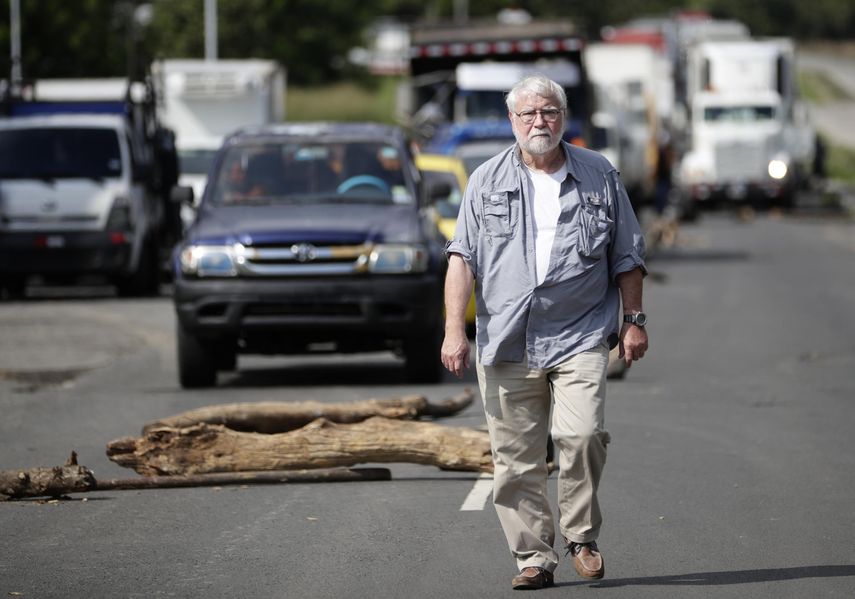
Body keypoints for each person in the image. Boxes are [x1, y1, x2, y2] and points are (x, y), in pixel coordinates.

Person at [441, 75, 648, 590]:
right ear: (512, 121)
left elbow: (627, 254)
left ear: (564, 117)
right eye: (529, 114)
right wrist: (453, 331)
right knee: (515, 460)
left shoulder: (600, 174)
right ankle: (532, 557)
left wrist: (634, 320)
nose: (540, 122)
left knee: (579, 435)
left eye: (550, 112)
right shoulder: (485, 180)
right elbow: (461, 259)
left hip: (580, 334)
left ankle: (580, 533)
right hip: (507, 338)